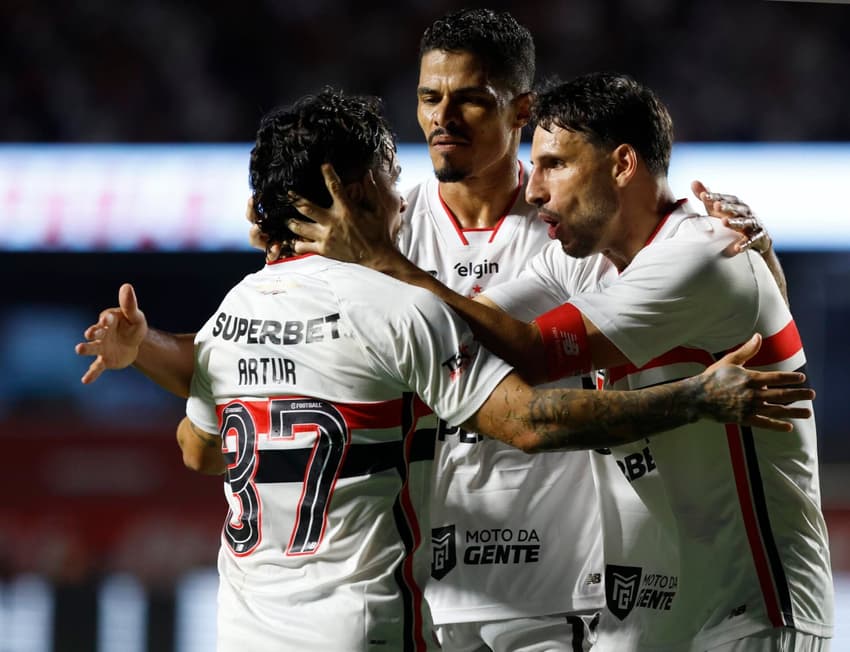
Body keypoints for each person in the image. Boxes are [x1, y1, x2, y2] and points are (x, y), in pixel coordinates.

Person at [78, 88, 812, 652]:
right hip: (364, 629)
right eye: (392, 179)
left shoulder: (236, 311)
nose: (406, 198)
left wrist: (144, 350)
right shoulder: (396, 313)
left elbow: (200, 447)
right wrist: (693, 399)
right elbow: (528, 420)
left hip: (243, 631)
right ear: (358, 189)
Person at [284, 74, 832, 651]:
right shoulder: (586, 265)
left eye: (555, 166)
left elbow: (531, 350)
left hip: (755, 611)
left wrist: (384, 258)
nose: (536, 190)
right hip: (656, 615)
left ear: (621, 164)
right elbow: (468, 324)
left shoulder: (700, 256)